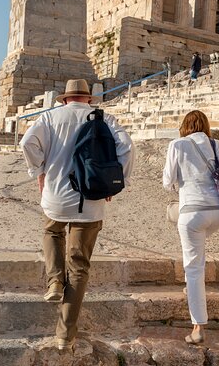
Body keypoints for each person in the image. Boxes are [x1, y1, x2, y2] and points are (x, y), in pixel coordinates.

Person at [20, 79, 135, 351]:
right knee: (80, 266)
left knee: (51, 231)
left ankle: (55, 280)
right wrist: (116, 181)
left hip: (56, 196)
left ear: (64, 99)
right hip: (91, 198)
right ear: (88, 99)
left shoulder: (49, 117)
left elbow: (27, 143)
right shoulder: (105, 118)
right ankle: (65, 334)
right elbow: (128, 147)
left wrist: (38, 171)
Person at [163, 110, 219, 345]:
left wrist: (181, 186)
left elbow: (166, 181)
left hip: (193, 213)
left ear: (184, 126)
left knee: (193, 267)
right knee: (196, 251)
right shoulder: (215, 145)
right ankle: (193, 289)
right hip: (218, 214)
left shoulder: (177, 145)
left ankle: (198, 328)